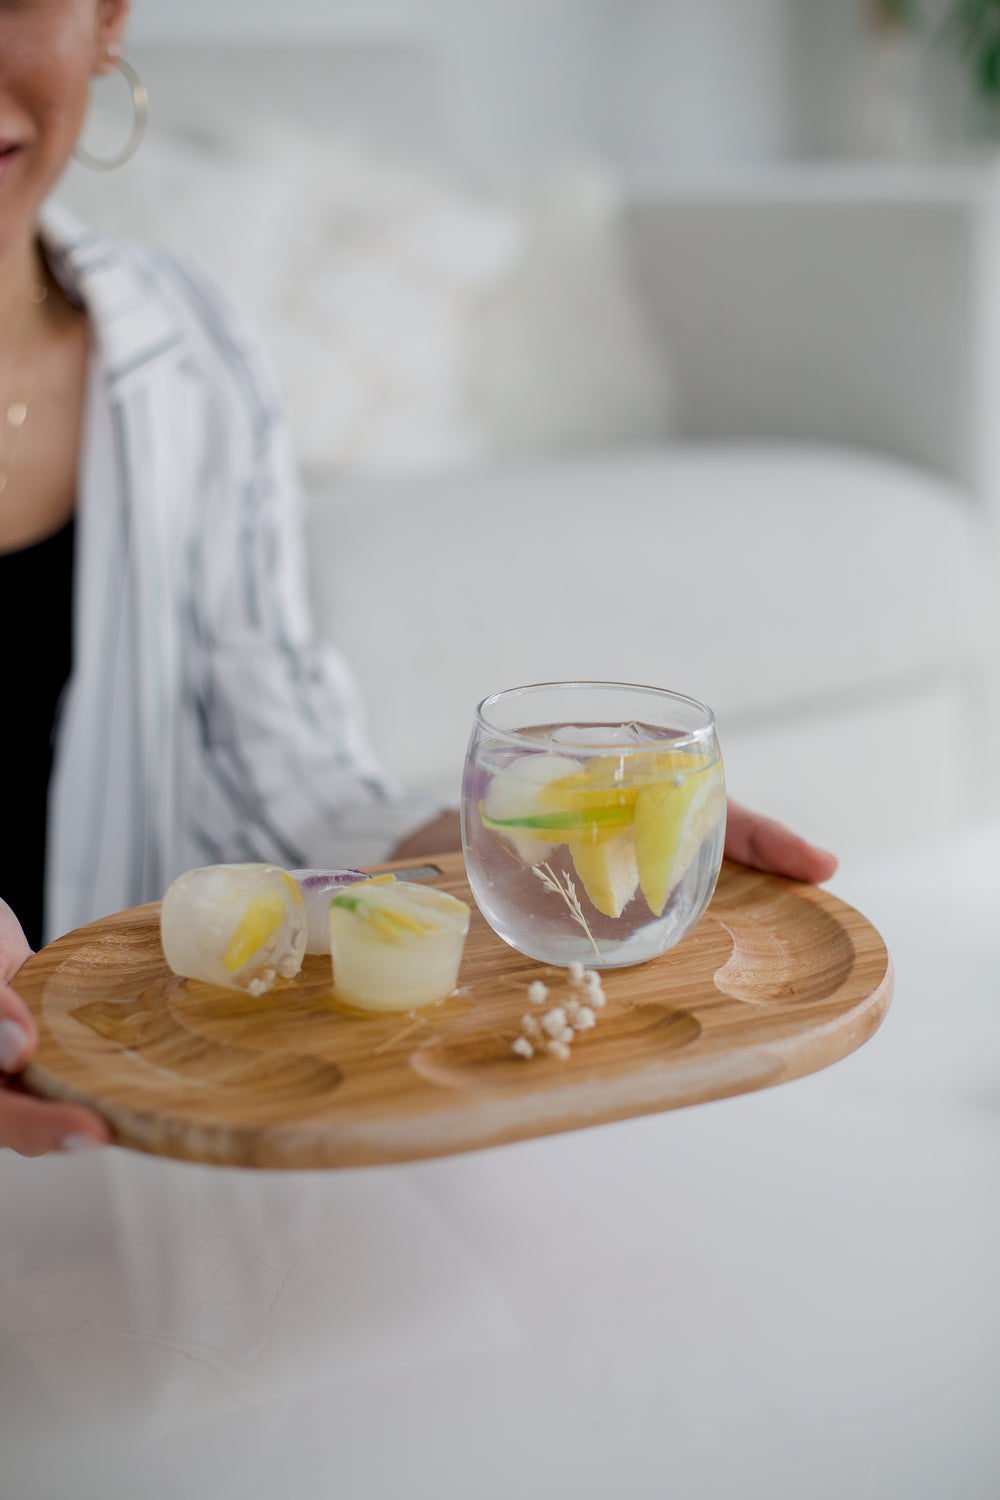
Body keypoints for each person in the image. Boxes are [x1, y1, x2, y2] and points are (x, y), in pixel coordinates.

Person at [0, 0, 837, 1157]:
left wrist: (490, 842)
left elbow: (277, 760)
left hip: (124, 1113)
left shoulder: (190, 344)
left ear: (103, 22)